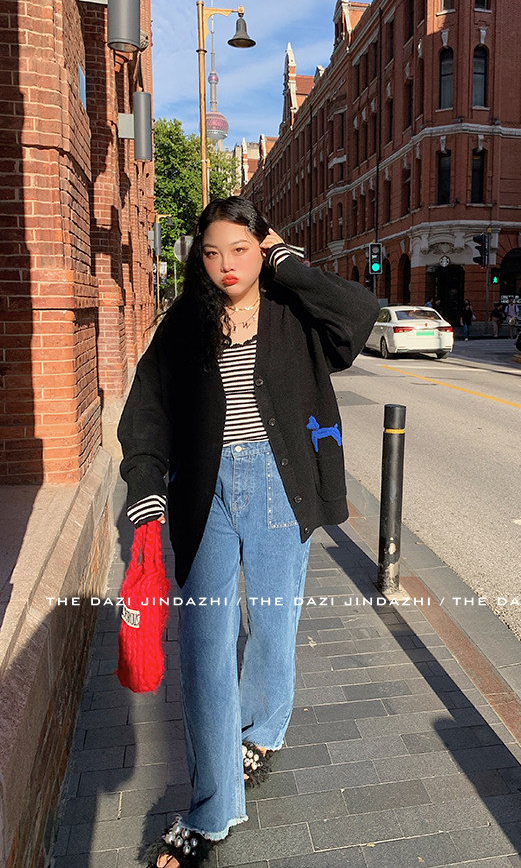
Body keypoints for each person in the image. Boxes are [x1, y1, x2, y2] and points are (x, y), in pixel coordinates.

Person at [117, 196, 379, 868]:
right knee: (205, 643)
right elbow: (147, 404)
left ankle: (260, 732)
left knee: (271, 622)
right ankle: (212, 812)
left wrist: (289, 264)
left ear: (262, 246)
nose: (225, 265)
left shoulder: (293, 309)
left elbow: (359, 316)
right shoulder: (187, 320)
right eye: (212, 252)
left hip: (278, 482)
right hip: (203, 490)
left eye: (240, 249)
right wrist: (146, 484)